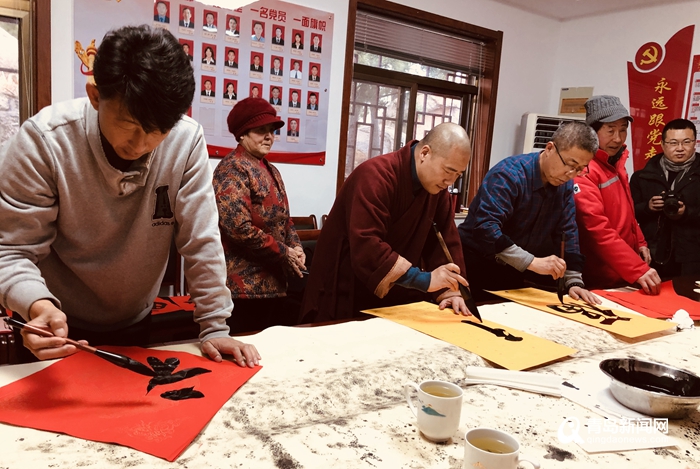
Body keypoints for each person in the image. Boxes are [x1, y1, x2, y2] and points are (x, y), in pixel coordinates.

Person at [0, 25, 259, 366]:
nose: (141, 144)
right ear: (96, 96)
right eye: (130, 125)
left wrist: (215, 326)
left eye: (158, 131)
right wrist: (37, 304)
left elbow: (201, 240)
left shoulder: (185, 140)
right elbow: (12, 250)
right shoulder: (45, 142)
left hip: (136, 320)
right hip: (54, 324)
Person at [301, 123, 473, 323]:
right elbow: (367, 245)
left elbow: (444, 240)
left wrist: (452, 290)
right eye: (448, 171)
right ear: (425, 153)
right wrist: (425, 280)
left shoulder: (437, 190)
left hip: (395, 291)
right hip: (346, 286)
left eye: (458, 175)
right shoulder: (375, 175)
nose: (450, 181)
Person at [458, 121, 600, 304]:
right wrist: (532, 262)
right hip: (474, 265)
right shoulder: (509, 174)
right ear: (550, 148)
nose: (571, 174)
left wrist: (573, 281)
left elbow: (568, 232)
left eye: (580, 169)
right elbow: (486, 228)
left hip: (514, 270)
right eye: (569, 164)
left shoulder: (564, 186)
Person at [213, 98, 305, 333]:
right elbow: (238, 228)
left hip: (275, 284)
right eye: (261, 130)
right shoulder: (232, 168)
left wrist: (296, 247)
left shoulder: (271, 169)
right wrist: (284, 252)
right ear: (242, 134)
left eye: (272, 131)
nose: (269, 136)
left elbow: (285, 219)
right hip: (244, 289)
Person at [574, 95, 661, 294]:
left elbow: (627, 210)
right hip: (599, 276)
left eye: (623, 130)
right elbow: (596, 229)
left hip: (622, 271)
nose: (618, 138)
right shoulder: (583, 170)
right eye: (610, 130)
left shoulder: (615, 161)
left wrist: (639, 242)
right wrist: (636, 269)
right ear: (592, 132)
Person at [630, 118, 700, 278]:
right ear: (662, 144)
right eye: (673, 143)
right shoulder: (642, 177)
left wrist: (686, 213)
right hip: (652, 255)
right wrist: (648, 208)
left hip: (693, 257)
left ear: (694, 143)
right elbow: (628, 214)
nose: (680, 148)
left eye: (686, 142)